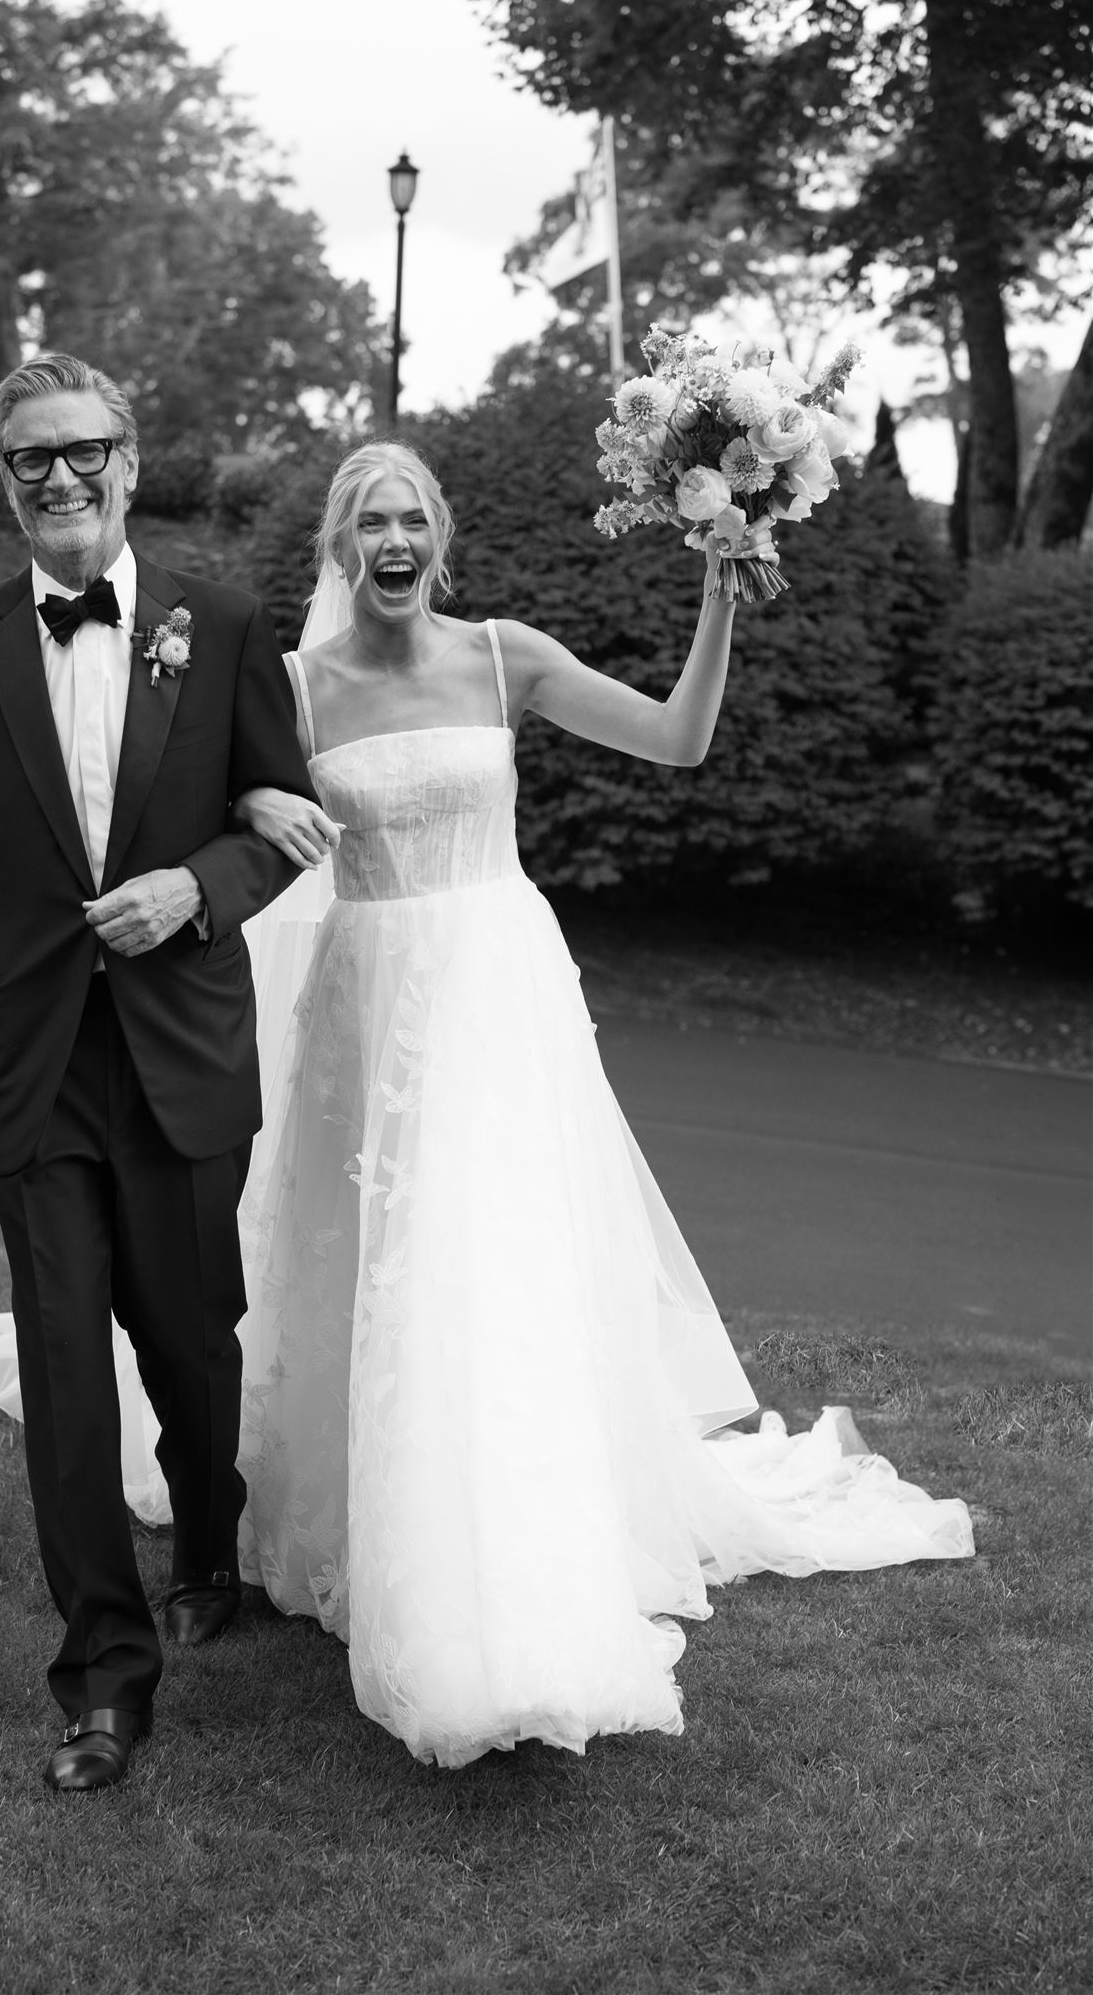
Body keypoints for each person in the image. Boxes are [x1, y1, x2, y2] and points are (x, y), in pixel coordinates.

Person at [226, 441, 974, 1768]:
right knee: (372, 1272)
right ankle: (367, 1526)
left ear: (437, 539)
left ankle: (507, 1557)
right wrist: (248, 780)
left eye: (409, 518)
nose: (390, 540)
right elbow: (219, 802)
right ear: (341, 551)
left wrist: (718, 596)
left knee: (485, 1273)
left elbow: (679, 742)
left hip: (493, 1006)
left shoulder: (507, 656)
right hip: (364, 1005)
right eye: (367, 522)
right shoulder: (293, 687)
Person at [0, 353, 316, 1792]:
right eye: (29, 461)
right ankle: (104, 1678)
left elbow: (285, 823)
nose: (59, 479)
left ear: (131, 461)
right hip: (28, 1068)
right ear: (5, 483)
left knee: (193, 1343)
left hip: (181, 1054)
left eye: (82, 452)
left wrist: (196, 887)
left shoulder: (227, 620)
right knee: (67, 1368)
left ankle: (208, 1543)